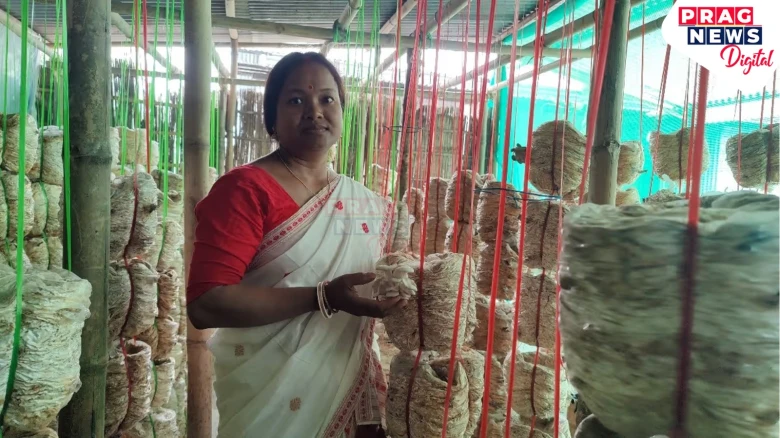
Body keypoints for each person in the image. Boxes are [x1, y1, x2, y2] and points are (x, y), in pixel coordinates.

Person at [186, 52, 408, 438]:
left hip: (347, 383)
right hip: (270, 394)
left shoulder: (359, 200)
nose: (314, 112)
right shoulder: (244, 190)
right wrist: (323, 297)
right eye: (296, 101)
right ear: (270, 117)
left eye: (327, 99)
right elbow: (206, 304)